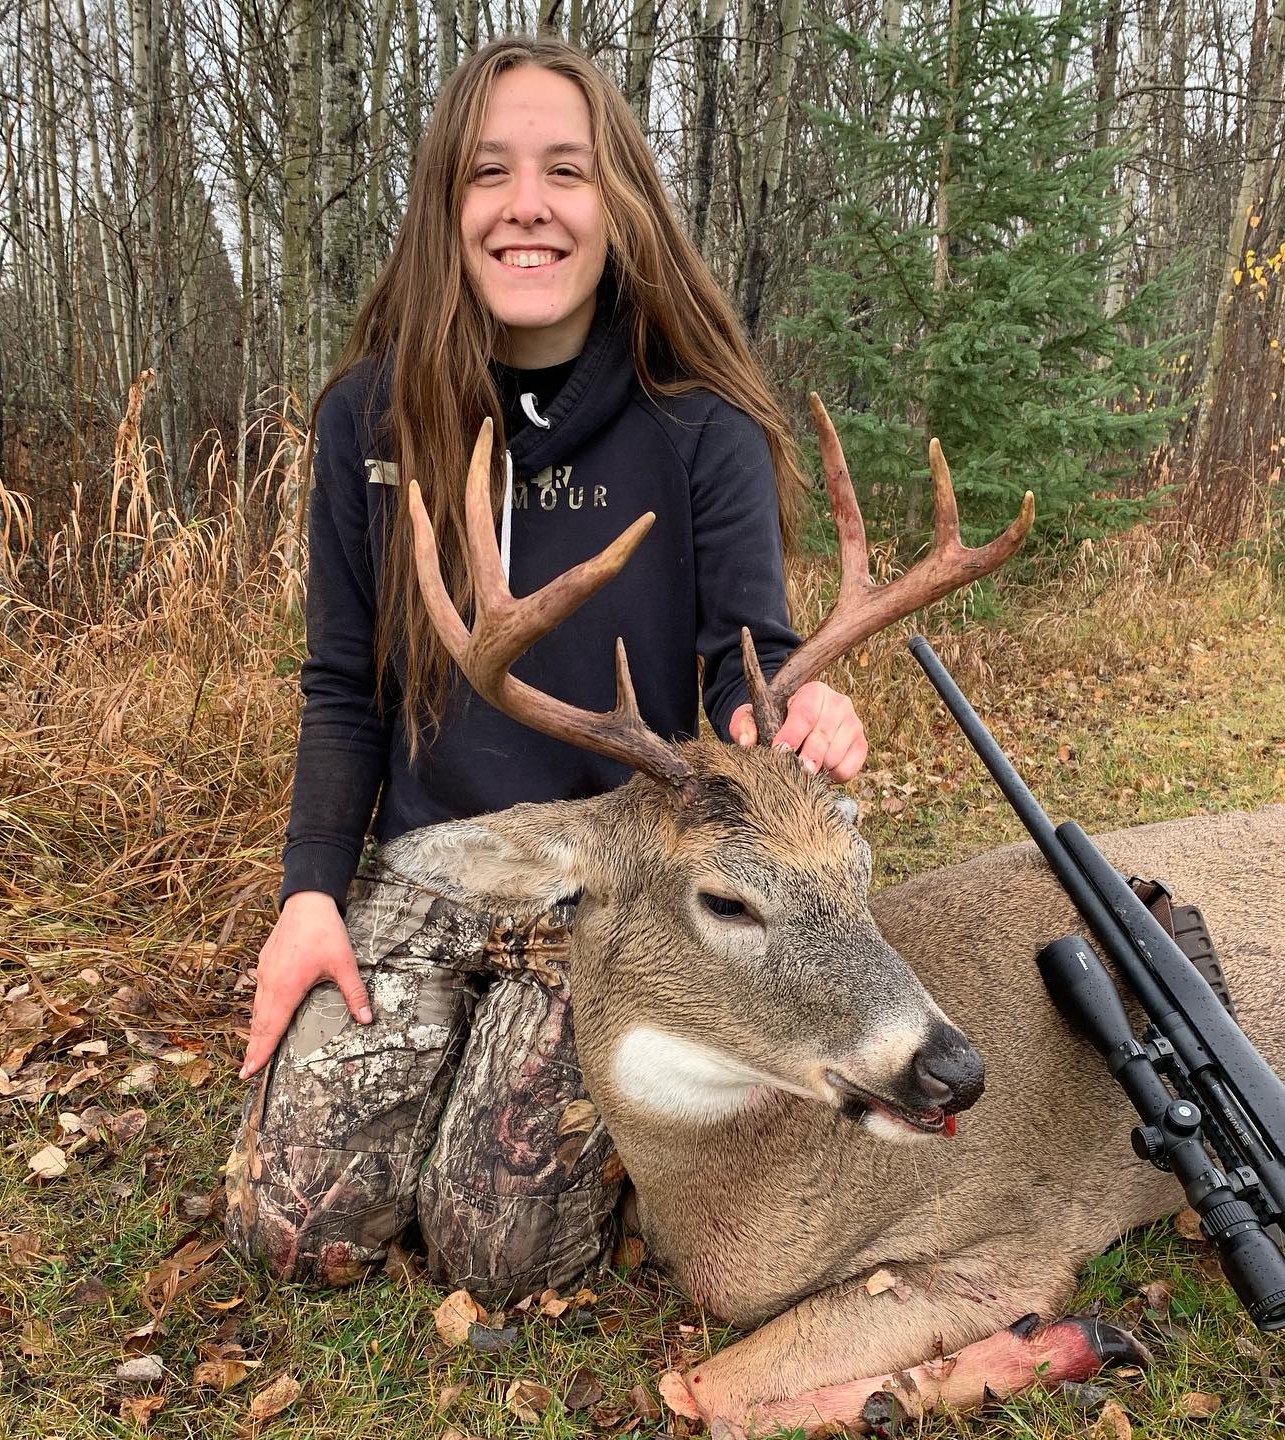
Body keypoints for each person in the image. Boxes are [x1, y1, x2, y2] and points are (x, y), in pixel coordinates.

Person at [224, 34, 868, 1297]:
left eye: (566, 171)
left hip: (613, 883)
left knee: (500, 1253)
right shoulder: (368, 416)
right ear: (444, 209)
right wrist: (311, 895)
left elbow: (751, 669)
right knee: (293, 1229)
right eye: (489, 173)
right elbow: (342, 686)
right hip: (431, 865)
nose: (528, 205)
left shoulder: (701, 423)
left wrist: (796, 711)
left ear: (617, 201)